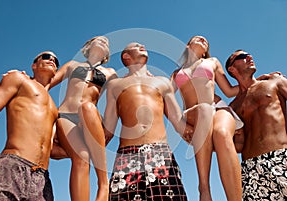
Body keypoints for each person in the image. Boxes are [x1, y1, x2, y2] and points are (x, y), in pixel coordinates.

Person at [103, 42, 208, 201]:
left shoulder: (163, 82)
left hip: (160, 154)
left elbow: (179, 123)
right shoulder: (115, 85)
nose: (142, 45)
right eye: (136, 45)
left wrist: (205, 135)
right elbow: (108, 130)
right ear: (126, 56)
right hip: (127, 155)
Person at [171, 36, 243, 201]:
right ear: (188, 45)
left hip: (217, 108)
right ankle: (204, 188)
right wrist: (178, 124)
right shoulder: (176, 73)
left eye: (206, 41)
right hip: (193, 114)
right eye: (198, 38)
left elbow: (230, 91)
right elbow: (165, 96)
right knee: (203, 108)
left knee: (222, 134)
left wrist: (256, 82)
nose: (203, 39)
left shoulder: (212, 62)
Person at [49, 36, 117, 201]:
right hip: (66, 115)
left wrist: (110, 129)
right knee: (81, 158)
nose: (103, 41)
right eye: (99, 39)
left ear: (107, 53)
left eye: (106, 42)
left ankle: (104, 185)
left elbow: (115, 100)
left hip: (89, 117)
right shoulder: (72, 65)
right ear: (88, 45)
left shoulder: (110, 73)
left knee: (87, 106)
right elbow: (46, 84)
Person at [0, 51, 59, 201]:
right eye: (46, 57)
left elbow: (52, 149)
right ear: (34, 65)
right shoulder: (18, 79)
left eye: (55, 61)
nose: (52, 59)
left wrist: (88, 150)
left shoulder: (54, 108)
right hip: (12, 166)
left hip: (42, 179)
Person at [225, 49, 287, 200]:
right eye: (242, 56)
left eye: (248, 55)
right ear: (232, 69)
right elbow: (239, 145)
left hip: (282, 158)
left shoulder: (274, 82)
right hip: (252, 170)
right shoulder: (233, 107)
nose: (249, 57)